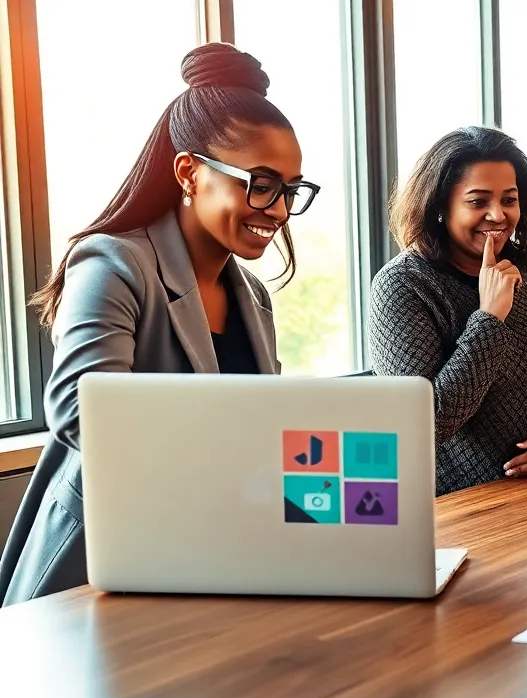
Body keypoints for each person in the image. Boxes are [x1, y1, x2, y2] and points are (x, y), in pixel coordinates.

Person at [0, 43, 317, 606]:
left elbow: (260, 429)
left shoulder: (253, 298)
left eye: (290, 190)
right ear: (190, 173)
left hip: (214, 559)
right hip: (99, 573)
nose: (279, 209)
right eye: (261, 183)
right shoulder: (112, 263)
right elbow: (81, 410)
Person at [369, 126, 527, 495]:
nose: (497, 215)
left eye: (509, 200)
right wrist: (490, 317)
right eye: (478, 202)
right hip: (449, 506)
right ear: (440, 206)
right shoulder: (402, 285)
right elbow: (424, 423)